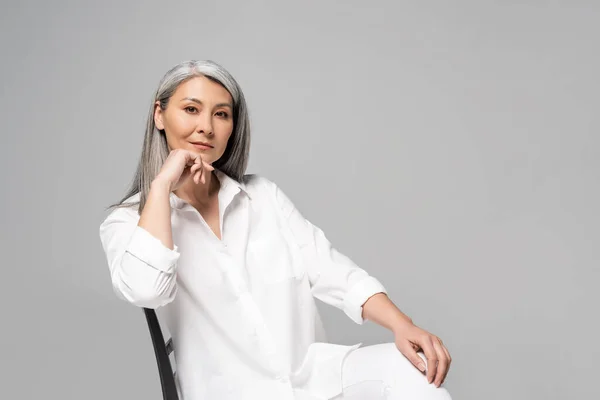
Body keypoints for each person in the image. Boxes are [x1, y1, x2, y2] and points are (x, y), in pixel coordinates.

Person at [99, 60, 453, 400]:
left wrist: (402, 325)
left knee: (412, 372)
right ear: (159, 115)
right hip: (229, 393)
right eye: (191, 109)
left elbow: (331, 270)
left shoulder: (262, 197)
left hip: (311, 382)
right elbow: (147, 290)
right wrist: (161, 186)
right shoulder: (127, 222)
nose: (206, 126)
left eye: (221, 114)